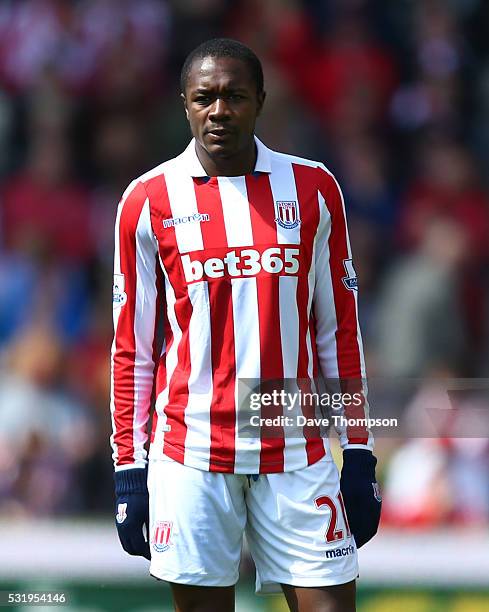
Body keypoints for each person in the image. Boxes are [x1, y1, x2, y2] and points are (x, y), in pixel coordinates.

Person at [110, 38, 381, 612]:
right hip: (191, 456)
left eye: (234, 95)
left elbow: (339, 332)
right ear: (184, 104)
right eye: (204, 97)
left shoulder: (312, 188)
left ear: (260, 100)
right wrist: (130, 470)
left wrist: (358, 449)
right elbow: (132, 348)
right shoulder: (147, 200)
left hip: (297, 452)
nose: (219, 110)